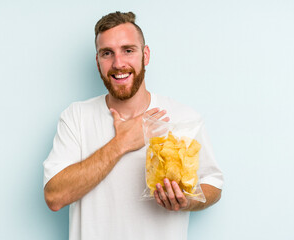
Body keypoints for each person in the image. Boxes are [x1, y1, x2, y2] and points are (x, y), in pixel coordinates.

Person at [43, 11, 224, 240]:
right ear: (97, 61)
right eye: (107, 53)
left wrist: (188, 200)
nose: (118, 64)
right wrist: (122, 143)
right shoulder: (76, 117)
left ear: (145, 55)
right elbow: (54, 196)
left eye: (128, 50)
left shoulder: (184, 117)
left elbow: (213, 184)